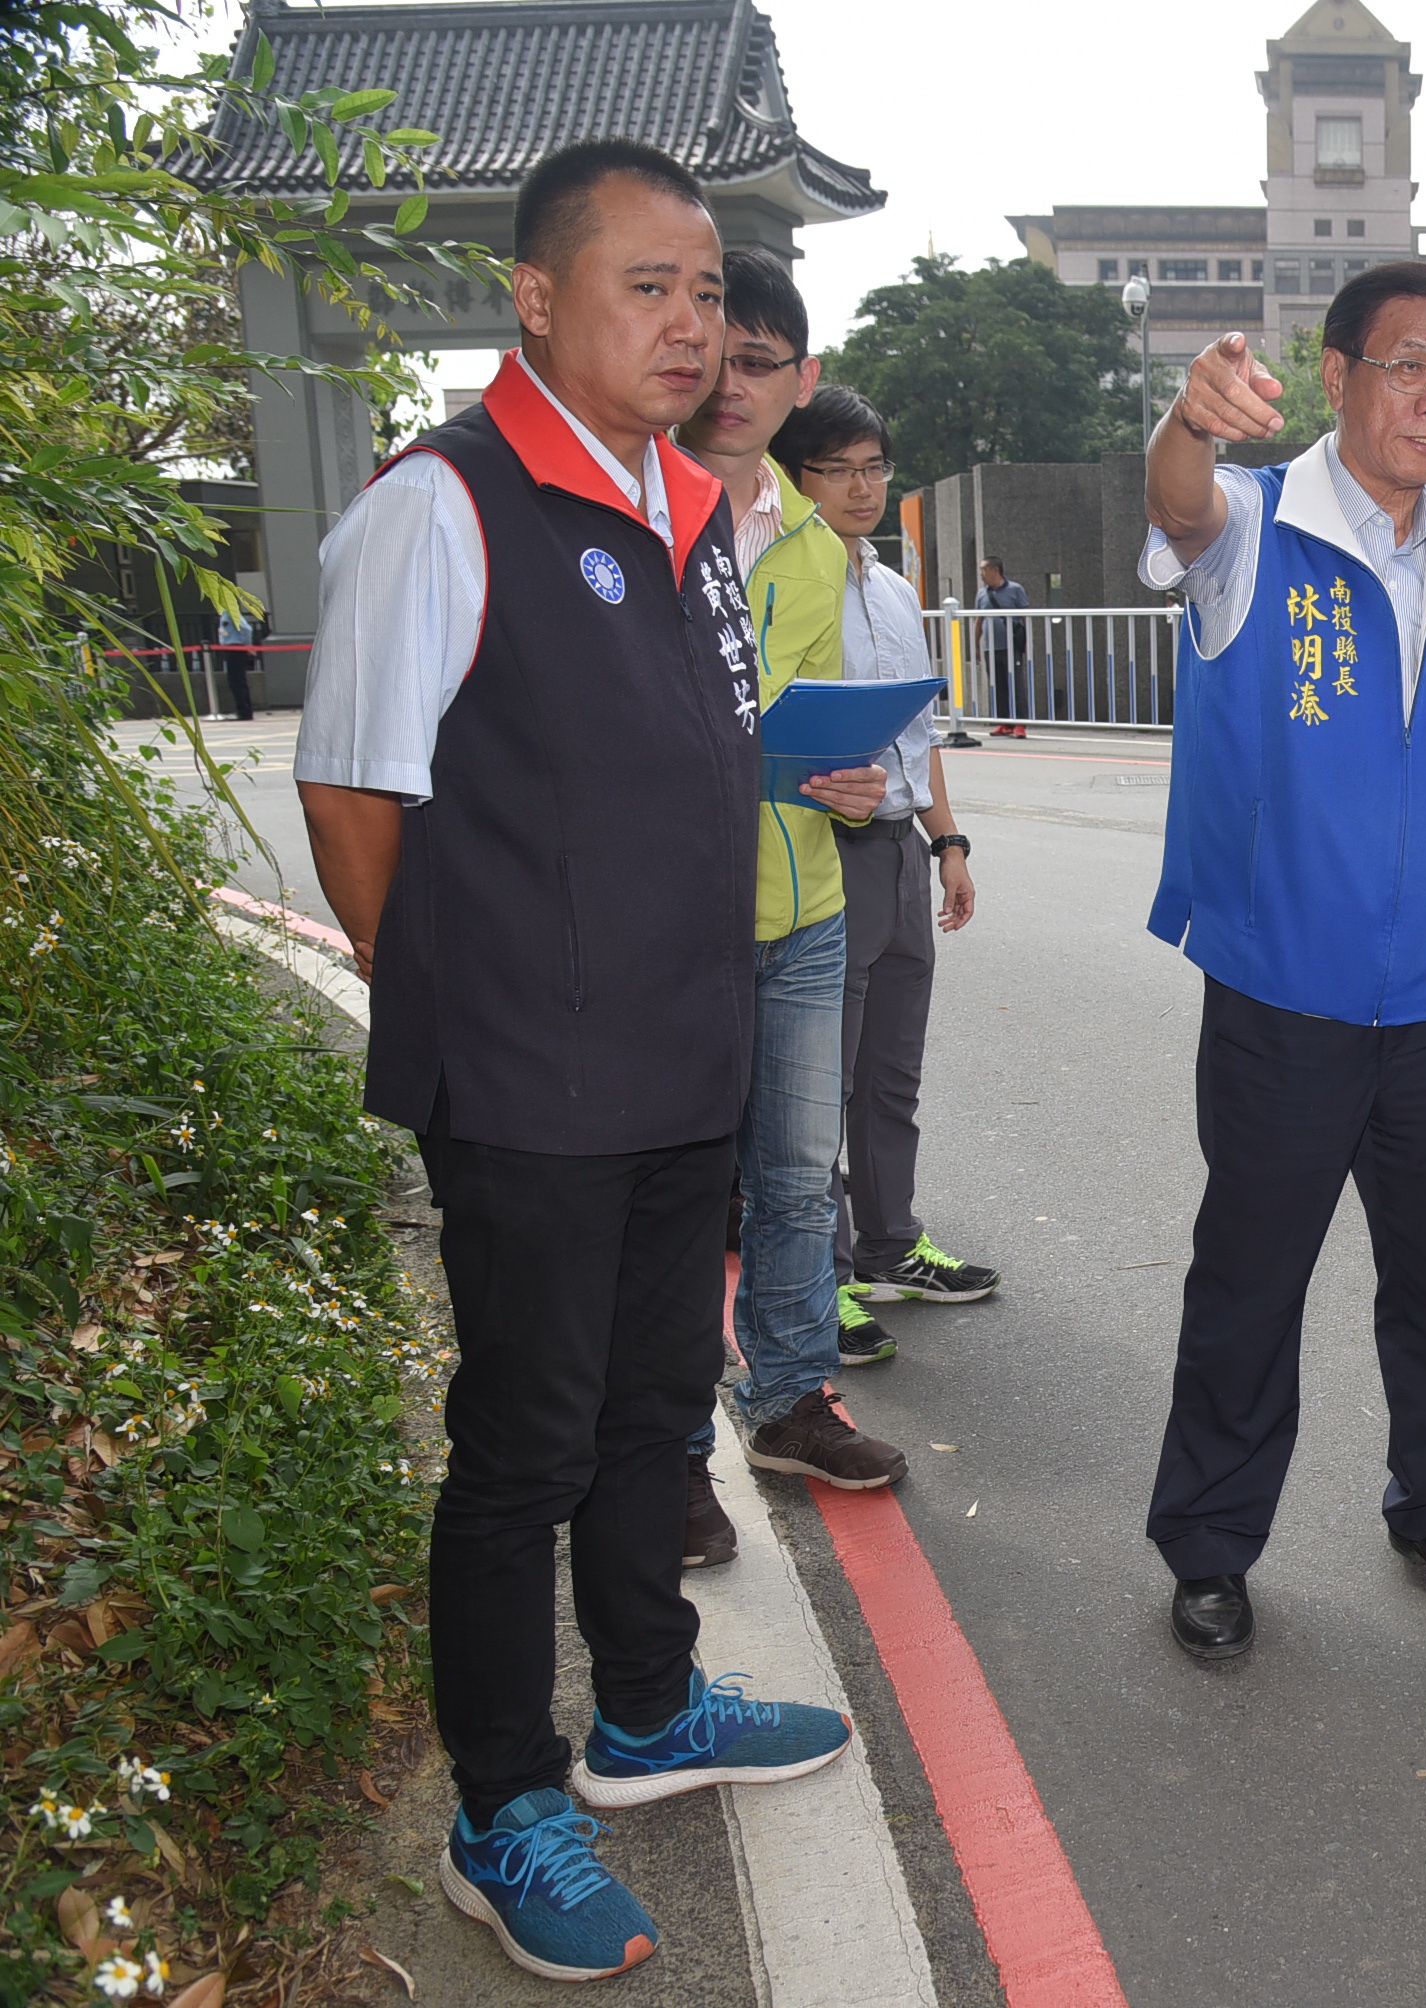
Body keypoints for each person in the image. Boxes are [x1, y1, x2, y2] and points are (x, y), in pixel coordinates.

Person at [290, 140, 855, 1985]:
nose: (691, 322)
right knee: (519, 1446)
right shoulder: (443, 509)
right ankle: (500, 1803)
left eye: (708, 291)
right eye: (649, 285)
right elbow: (354, 795)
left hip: (680, 1060)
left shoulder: (691, 513)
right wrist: (456, 989)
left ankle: (643, 1712)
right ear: (537, 300)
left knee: (646, 1415)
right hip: (529, 1085)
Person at [1139, 262, 1426, 1660]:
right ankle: (1209, 1542)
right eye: (1408, 366)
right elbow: (1178, 507)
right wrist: (1189, 426)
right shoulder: (1254, 529)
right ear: (1337, 374)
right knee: (1250, 1280)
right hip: (1281, 1000)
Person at [671, 245, 909, 1559]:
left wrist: (851, 781)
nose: (727, 379)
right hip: (672, 921)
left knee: (793, 1184)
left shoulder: (817, 549)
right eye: (712, 348)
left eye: (757, 359)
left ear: (796, 379)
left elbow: (805, 734)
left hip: (803, 911)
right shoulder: (633, 512)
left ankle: (787, 1398)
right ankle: (661, 1459)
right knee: (666, 1190)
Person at [772, 384, 997, 1362]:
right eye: (839, 468)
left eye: (874, 466)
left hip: (901, 849)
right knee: (815, 1082)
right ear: (795, 476)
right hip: (819, 854)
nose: (862, 486)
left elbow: (916, 732)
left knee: (890, 1074)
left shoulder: (894, 589)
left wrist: (947, 844)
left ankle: (888, 1247)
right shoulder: (776, 579)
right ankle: (818, 1283)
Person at [972, 555, 1029, 736]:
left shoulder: (1015, 590)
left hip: (1012, 646)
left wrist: (1027, 644)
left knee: (1016, 685)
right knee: (998, 686)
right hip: (991, 647)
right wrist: (976, 647)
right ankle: (1004, 723)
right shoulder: (982, 594)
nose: (981, 574)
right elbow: (978, 621)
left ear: (995, 570)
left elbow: (1026, 617)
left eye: (984, 569)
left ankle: (1020, 723)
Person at [213, 603, 261, 720]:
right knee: (234, 681)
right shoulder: (224, 613)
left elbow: (246, 629)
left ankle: (244, 712)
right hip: (230, 649)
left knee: (237, 681)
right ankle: (242, 710)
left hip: (236, 649)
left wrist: (247, 645)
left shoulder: (230, 611)